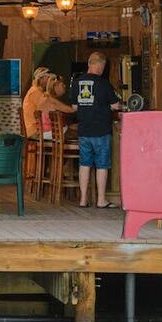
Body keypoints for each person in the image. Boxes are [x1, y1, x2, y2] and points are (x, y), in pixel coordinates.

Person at [70, 51, 122, 209]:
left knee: (84, 164)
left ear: (89, 63)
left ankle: (83, 200)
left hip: (84, 130)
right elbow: (115, 105)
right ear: (100, 65)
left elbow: (74, 107)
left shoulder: (77, 83)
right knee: (102, 165)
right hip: (101, 130)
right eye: (103, 66)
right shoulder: (103, 83)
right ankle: (101, 200)